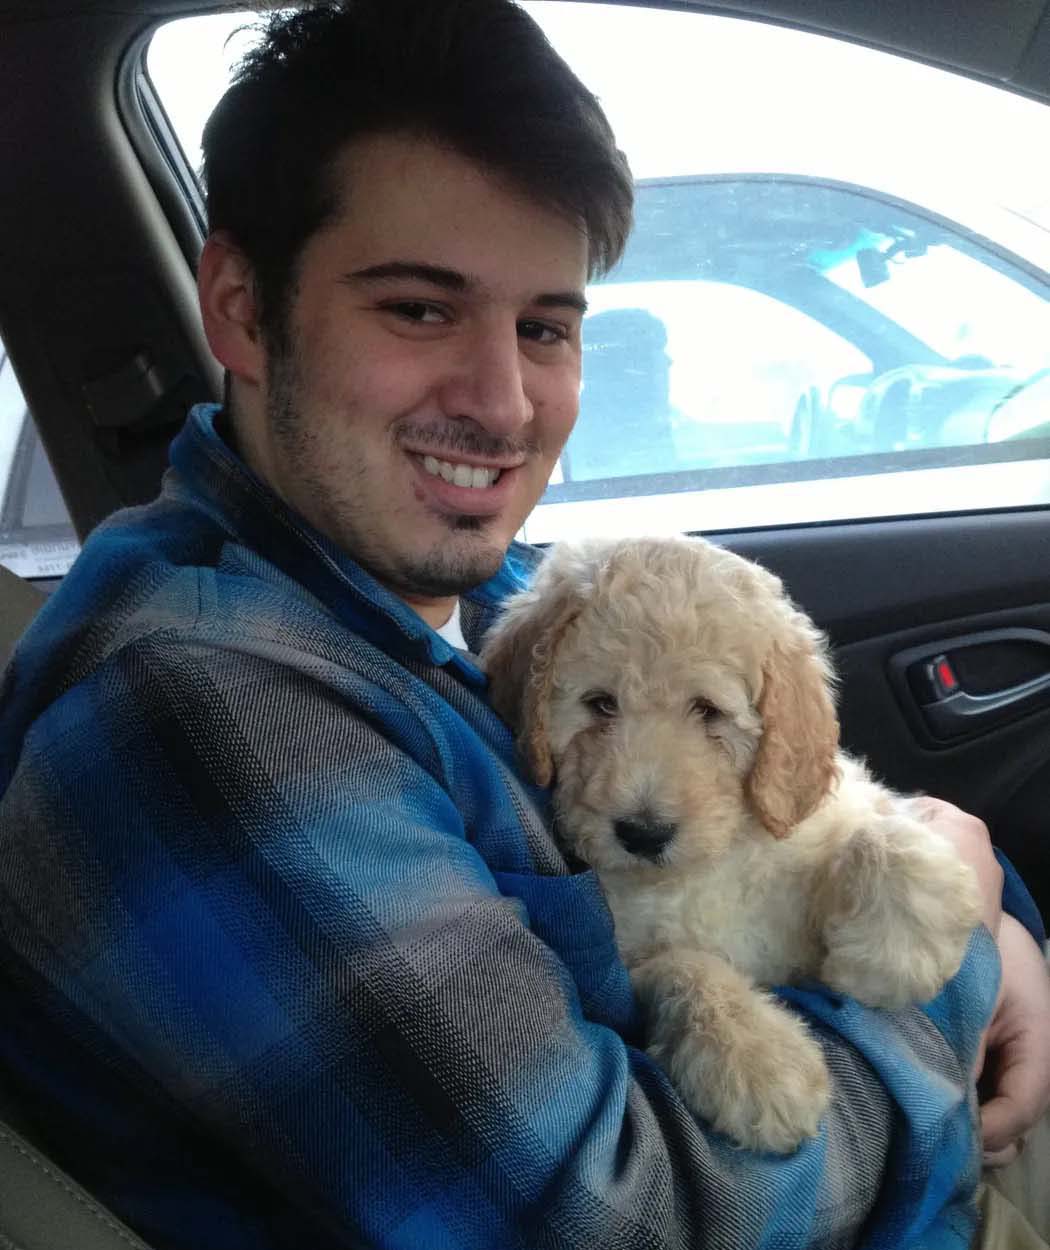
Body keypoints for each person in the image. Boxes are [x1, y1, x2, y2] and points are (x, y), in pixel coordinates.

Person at [0, 1, 1047, 1247]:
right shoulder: (198, 714)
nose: (502, 404)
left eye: (544, 326)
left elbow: (802, 822)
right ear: (238, 307)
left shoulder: (475, 593)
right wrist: (957, 973)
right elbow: (620, 1220)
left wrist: (985, 913)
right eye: (419, 310)